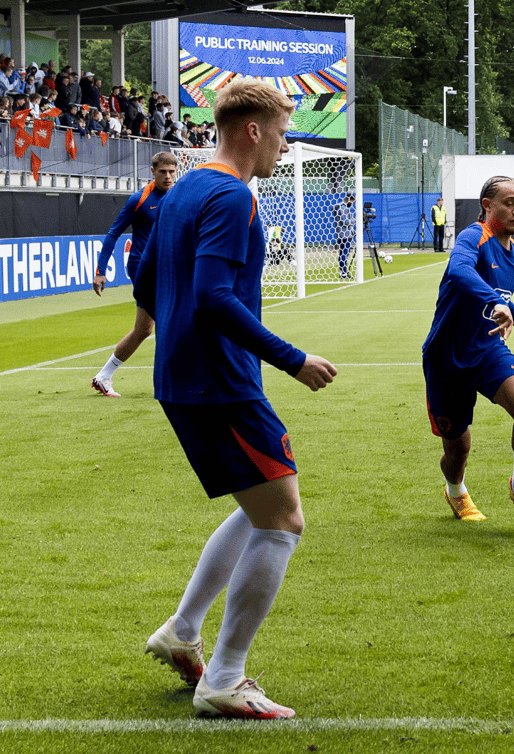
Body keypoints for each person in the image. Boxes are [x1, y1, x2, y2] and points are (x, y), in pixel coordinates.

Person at [133, 80, 338, 719]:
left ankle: (183, 632)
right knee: (283, 517)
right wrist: (294, 359)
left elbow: (144, 277)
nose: (285, 144)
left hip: (186, 376)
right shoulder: (231, 196)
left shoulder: (185, 187)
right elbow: (214, 298)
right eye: (282, 131)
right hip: (220, 382)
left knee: (261, 506)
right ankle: (224, 677)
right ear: (253, 130)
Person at [423, 176, 514, 524]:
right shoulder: (473, 236)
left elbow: (503, 296)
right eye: (508, 203)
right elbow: (459, 270)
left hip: (488, 349)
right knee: (458, 448)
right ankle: (456, 492)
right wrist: (496, 302)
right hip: (448, 357)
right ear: (487, 205)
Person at [90, 151, 178, 397]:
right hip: (143, 268)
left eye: (172, 172)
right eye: (163, 172)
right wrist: (100, 271)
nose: (168, 176)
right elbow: (113, 234)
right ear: (153, 171)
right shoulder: (139, 199)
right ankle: (168, 382)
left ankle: (103, 376)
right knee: (169, 321)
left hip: (169, 268)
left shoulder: (179, 196)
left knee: (144, 329)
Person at [334, 194, 356, 279]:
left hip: (344, 233)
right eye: (352, 200)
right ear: (348, 199)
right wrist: (355, 221)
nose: (352, 202)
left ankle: (343, 272)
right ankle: (343, 273)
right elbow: (345, 221)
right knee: (344, 253)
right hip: (344, 234)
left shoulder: (344, 207)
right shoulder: (342, 207)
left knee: (344, 253)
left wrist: (353, 232)